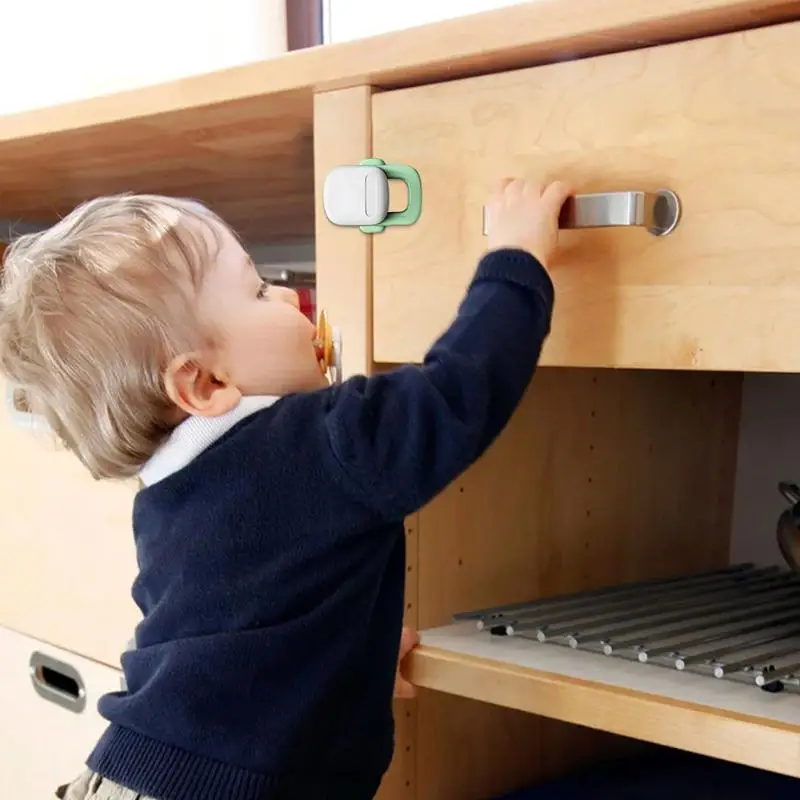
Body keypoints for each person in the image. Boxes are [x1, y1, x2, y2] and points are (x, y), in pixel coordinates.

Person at [0, 177, 571, 800]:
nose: (289, 295)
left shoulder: (168, 492)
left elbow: (236, 628)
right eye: (258, 288)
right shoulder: (316, 441)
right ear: (204, 383)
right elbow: (457, 393)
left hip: (137, 772)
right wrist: (516, 260)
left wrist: (350, 651)